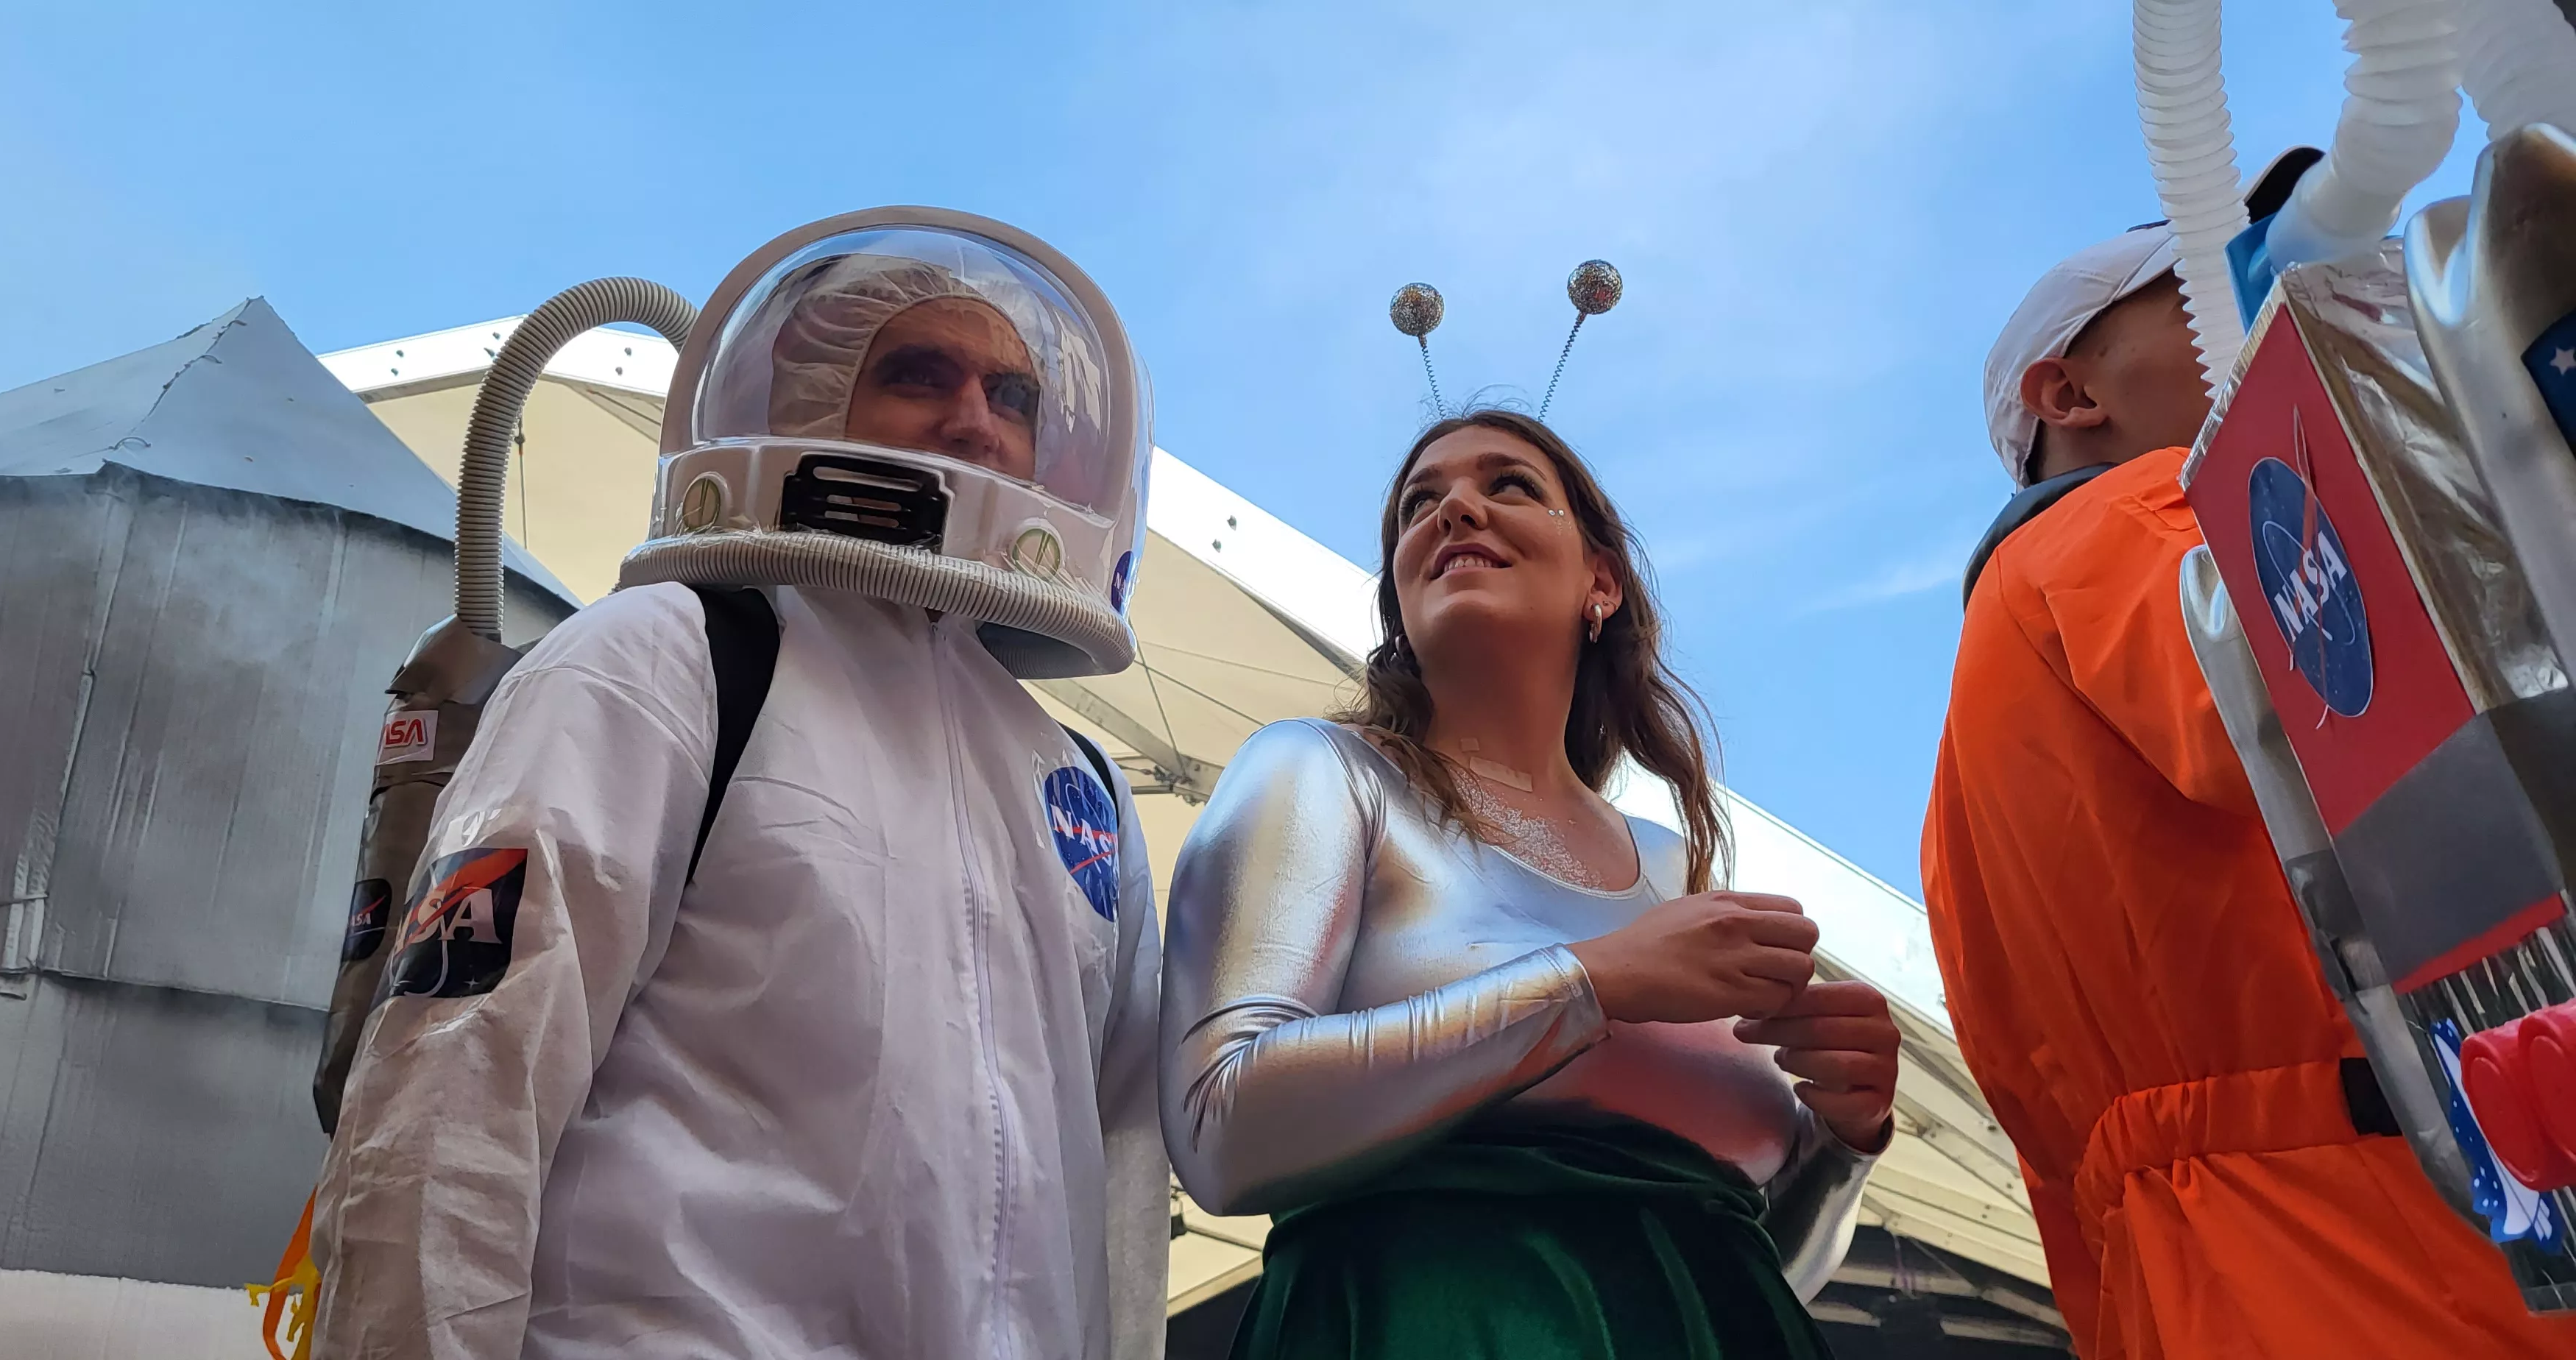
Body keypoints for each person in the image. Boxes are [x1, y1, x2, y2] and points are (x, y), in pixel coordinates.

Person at [308, 213, 1170, 1360]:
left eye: (1012, 396)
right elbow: (457, 1088)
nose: (976, 420)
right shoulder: (663, 657)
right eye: (920, 375)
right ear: (808, 402)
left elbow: (1121, 1178)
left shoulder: (1080, 786)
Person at [1922, 219, 2576, 1356]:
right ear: (2070, 393)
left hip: (2214, 1270)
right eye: (2196, 297)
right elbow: (2331, 695)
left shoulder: (1967, 760)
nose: (2247, 307)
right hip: (2381, 1232)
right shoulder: (2125, 518)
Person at [1159, 408, 1901, 1359]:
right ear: (1399, 597)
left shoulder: (1674, 867)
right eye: (1419, 505)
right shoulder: (1319, 772)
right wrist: (1593, 981)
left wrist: (1844, 1138)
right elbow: (1218, 1126)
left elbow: (1753, 1264)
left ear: (1603, 583)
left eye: (1508, 484)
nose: (1455, 509)